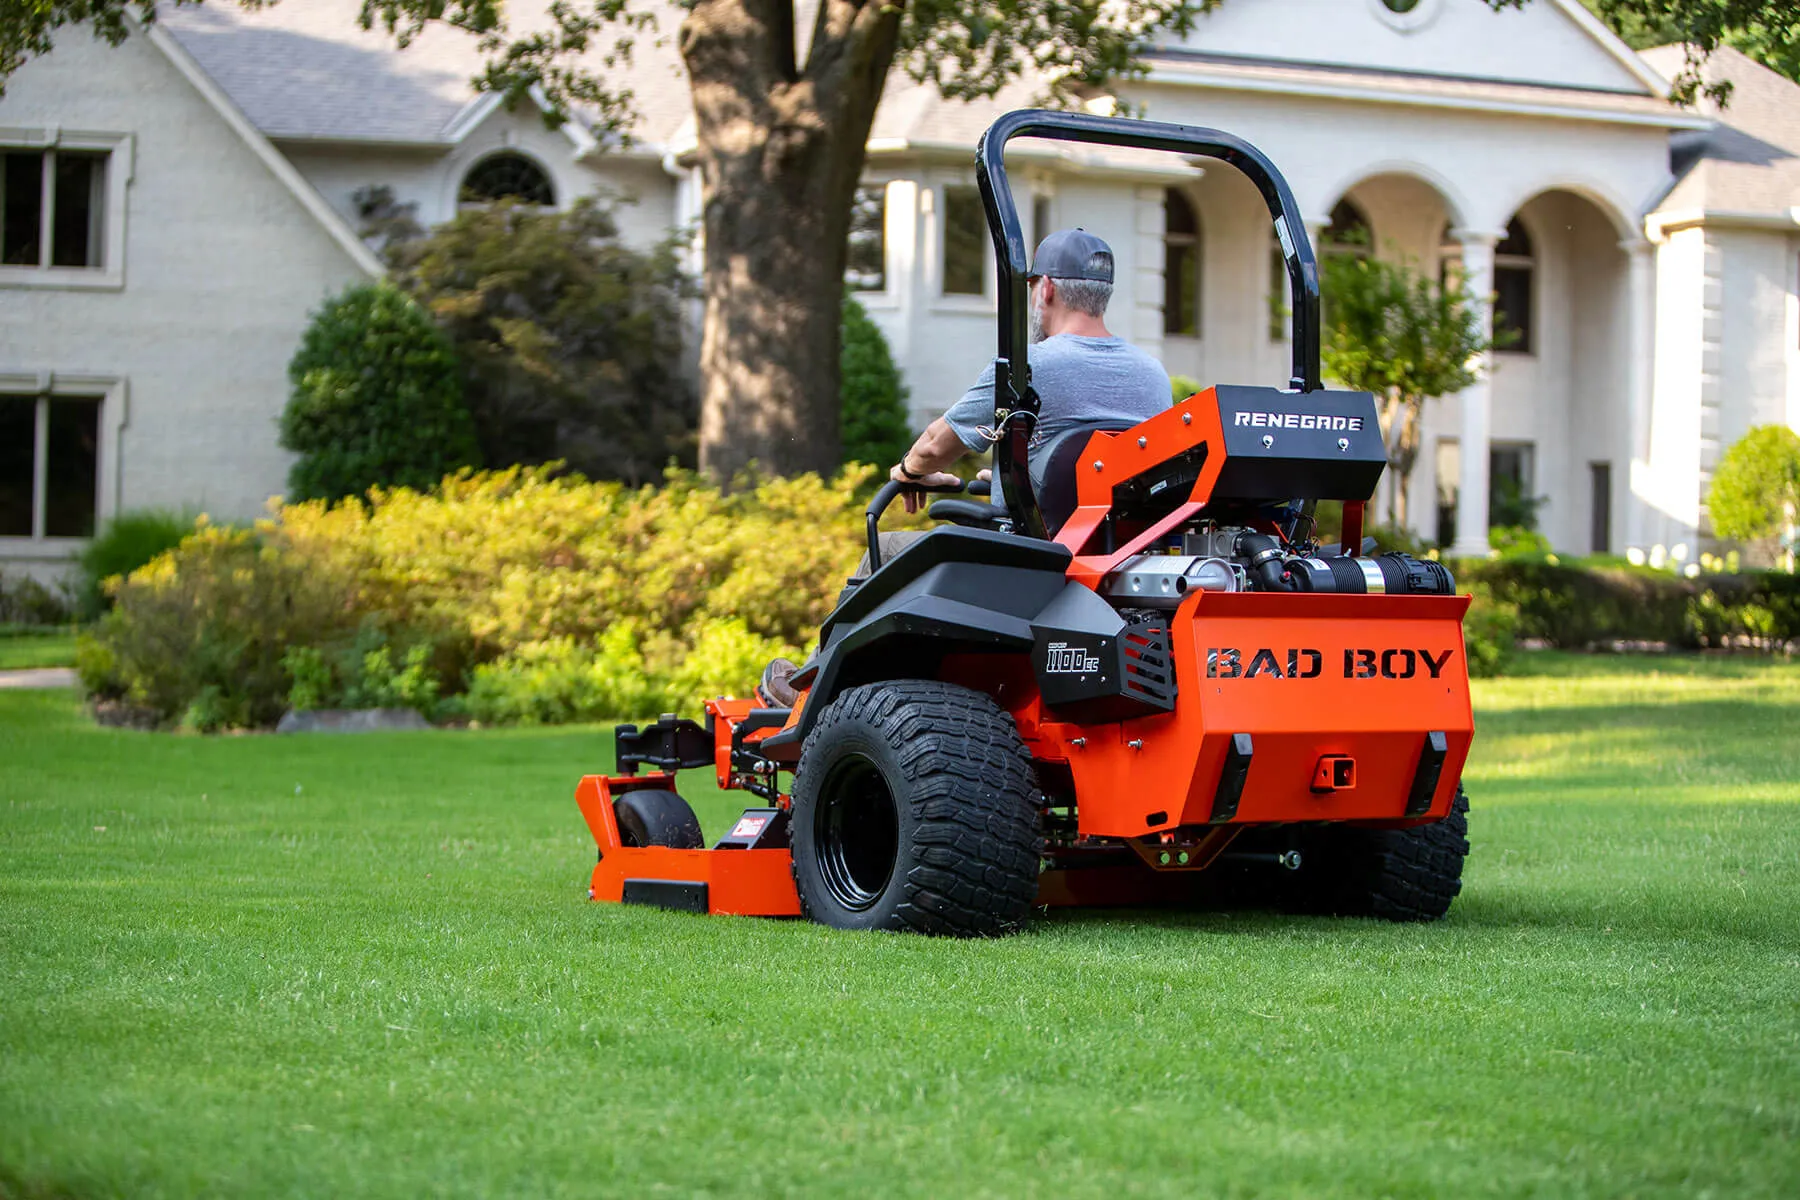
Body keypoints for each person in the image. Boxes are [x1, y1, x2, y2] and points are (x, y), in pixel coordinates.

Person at [889, 228, 1172, 510]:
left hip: (1038, 549)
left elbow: (935, 446)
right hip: (1123, 547)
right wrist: (1014, 483)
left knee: (888, 547)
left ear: (1046, 289)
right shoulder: (1154, 374)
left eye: (1032, 288)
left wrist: (909, 470)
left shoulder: (1027, 367)